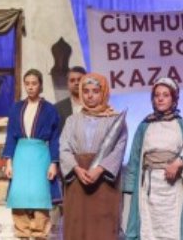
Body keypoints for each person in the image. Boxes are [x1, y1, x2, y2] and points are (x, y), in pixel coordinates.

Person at [123, 77, 183, 240]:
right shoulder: (144, 126)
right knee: (148, 230)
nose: (160, 98)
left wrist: (180, 162)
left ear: (174, 99)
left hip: (175, 188)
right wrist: (128, 194)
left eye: (166, 95)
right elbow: (134, 161)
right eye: (157, 95)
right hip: (148, 189)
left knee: (173, 230)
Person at [59, 73, 127, 240]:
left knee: (102, 225)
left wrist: (99, 169)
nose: (90, 96)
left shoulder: (115, 120)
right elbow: (64, 147)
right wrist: (76, 168)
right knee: (77, 224)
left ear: (103, 93)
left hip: (104, 180)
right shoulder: (72, 120)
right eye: (86, 91)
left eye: (95, 91)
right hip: (77, 178)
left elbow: (119, 149)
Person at [3, 69, 61, 239]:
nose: (30, 87)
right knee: (19, 197)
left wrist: (53, 163)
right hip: (20, 156)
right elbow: (10, 136)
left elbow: (55, 138)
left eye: (34, 83)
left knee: (40, 197)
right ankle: (22, 234)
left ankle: (39, 234)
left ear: (40, 85)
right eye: (27, 83)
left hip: (40, 156)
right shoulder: (16, 108)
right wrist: (8, 162)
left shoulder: (50, 109)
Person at [55, 66, 86, 132]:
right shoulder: (57, 108)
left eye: (79, 80)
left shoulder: (98, 106)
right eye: (72, 80)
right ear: (67, 84)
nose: (76, 83)